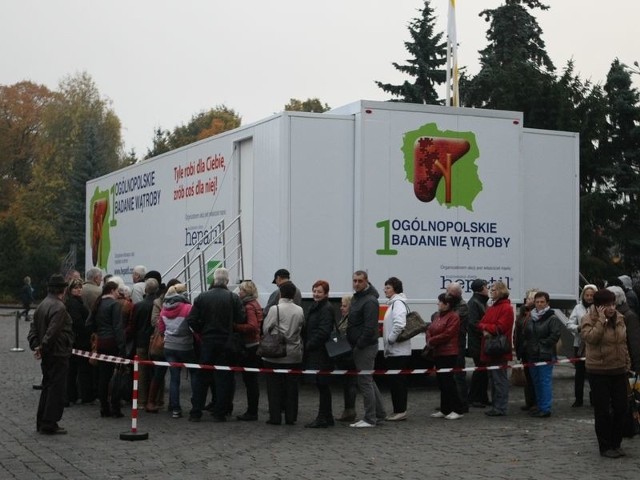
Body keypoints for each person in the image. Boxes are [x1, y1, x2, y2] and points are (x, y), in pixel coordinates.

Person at [581, 289, 633, 458]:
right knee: (602, 410)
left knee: (621, 408)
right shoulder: (588, 319)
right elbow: (591, 339)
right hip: (599, 371)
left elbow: (623, 342)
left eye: (613, 304)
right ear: (599, 306)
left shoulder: (620, 318)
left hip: (619, 370)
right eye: (607, 305)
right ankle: (605, 446)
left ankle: (616, 443)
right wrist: (601, 321)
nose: (611, 308)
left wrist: (627, 363)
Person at [187, 267, 243, 422]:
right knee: (224, 378)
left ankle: (196, 411)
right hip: (226, 342)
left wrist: (202, 332)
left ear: (214, 280)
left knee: (202, 377)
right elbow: (241, 318)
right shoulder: (233, 298)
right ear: (227, 281)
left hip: (208, 342)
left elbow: (191, 319)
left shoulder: (202, 297)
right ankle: (220, 412)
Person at [27, 274, 74, 434]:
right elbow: (52, 331)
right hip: (58, 352)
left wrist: (36, 346)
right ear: (63, 289)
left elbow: (33, 329)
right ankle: (49, 423)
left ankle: (42, 420)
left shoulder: (43, 304)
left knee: (47, 386)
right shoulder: (59, 307)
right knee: (56, 389)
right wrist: (42, 347)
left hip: (49, 353)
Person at [261, 281, 304, 425]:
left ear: (280, 293)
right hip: (294, 354)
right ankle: (291, 417)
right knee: (292, 388)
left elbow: (266, 329)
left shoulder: (275, 309)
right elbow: (301, 327)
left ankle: (275, 417)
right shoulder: (299, 310)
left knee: (274, 387)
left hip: (276, 354)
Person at [347, 270, 386, 428]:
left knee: (365, 382)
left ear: (366, 281)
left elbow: (370, 328)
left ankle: (370, 418)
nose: (356, 283)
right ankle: (380, 413)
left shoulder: (369, 301)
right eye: (354, 281)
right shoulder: (358, 298)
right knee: (368, 380)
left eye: (360, 281)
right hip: (361, 345)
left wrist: (359, 345)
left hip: (366, 346)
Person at [87, 281, 126, 418]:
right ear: (111, 290)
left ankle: (104, 407)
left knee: (103, 376)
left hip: (101, 343)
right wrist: (122, 347)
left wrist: (97, 333)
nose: (118, 293)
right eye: (117, 291)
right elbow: (118, 327)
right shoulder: (114, 304)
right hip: (112, 343)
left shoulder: (98, 303)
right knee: (116, 376)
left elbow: (89, 323)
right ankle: (115, 407)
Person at [156, 284, 195, 419]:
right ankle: (195, 406)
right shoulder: (188, 308)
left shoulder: (163, 309)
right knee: (194, 375)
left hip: (169, 347)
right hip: (186, 346)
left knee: (174, 378)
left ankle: (175, 409)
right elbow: (193, 327)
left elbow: (161, 329)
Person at [523, 291, 563, 418]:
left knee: (544, 381)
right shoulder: (531, 317)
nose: (539, 304)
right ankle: (539, 406)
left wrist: (541, 344)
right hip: (532, 354)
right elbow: (527, 334)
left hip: (545, 354)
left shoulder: (552, 318)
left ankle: (545, 408)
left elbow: (555, 336)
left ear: (547, 303)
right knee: (536, 381)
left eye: (542, 302)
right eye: (537, 302)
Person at [478, 281, 514, 417]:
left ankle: (501, 407)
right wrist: (485, 327)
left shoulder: (506, 308)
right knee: (493, 380)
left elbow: (500, 328)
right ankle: (496, 406)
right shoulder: (492, 307)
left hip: (498, 349)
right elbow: (481, 323)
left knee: (500, 380)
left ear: (500, 291)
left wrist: (486, 328)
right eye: (490, 289)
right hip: (490, 348)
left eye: (493, 289)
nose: (491, 291)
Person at [304, 280, 336, 428]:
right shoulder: (316, 307)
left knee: (323, 385)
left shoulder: (326, 309)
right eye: (314, 291)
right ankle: (327, 416)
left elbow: (323, 331)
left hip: (322, 353)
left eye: (319, 292)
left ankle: (323, 417)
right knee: (321, 385)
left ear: (326, 294)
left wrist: (309, 345)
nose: (316, 294)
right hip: (317, 352)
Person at [428, 293, 465, 420]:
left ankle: (458, 409)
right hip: (438, 352)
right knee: (441, 382)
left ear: (447, 304)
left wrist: (432, 340)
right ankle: (445, 409)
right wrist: (430, 339)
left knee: (448, 382)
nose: (438, 303)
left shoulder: (454, 317)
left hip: (449, 353)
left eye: (440, 302)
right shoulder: (438, 316)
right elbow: (430, 329)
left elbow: (448, 334)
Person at [382, 276, 411, 421]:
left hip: (398, 350)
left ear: (395, 289)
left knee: (398, 382)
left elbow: (399, 324)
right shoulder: (393, 303)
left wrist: (390, 339)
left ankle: (400, 410)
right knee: (395, 382)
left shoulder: (397, 303)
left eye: (388, 287)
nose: (385, 290)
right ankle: (397, 409)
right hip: (395, 350)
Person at [234, 280, 263, 421]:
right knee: (252, 381)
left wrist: (236, 327)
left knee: (250, 381)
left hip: (250, 345)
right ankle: (252, 410)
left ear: (247, 292)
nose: (239, 292)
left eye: (241, 290)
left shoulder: (249, 306)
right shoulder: (255, 304)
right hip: (255, 343)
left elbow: (252, 326)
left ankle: (252, 411)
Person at [565, 284, 597, 407]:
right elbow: (569, 324)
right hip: (580, 345)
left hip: (594, 344)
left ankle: (594, 398)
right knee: (579, 373)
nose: (589, 297)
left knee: (594, 373)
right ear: (583, 295)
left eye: (591, 295)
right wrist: (578, 328)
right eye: (587, 295)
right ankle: (578, 399)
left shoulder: (599, 308)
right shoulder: (578, 308)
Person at [131, 278, 160, 410]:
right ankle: (158, 400)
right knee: (158, 372)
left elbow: (134, 325)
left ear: (145, 290)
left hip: (141, 342)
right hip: (156, 342)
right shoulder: (160, 305)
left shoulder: (138, 306)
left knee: (141, 373)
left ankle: (142, 401)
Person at [65, 278, 93, 405]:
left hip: (78, 340)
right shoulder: (73, 303)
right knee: (78, 369)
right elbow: (77, 322)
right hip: (79, 341)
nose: (79, 289)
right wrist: (87, 330)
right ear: (70, 290)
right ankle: (77, 395)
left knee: (75, 369)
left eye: (80, 287)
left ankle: (74, 394)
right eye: (76, 288)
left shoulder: (77, 302)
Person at [466, 278, 490, 408]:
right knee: (480, 370)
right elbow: (473, 323)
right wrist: (485, 330)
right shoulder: (474, 303)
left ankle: (482, 397)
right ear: (481, 289)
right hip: (477, 343)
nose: (488, 289)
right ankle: (474, 398)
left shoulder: (480, 302)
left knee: (483, 371)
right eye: (486, 287)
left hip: (481, 342)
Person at [514, 288, 538, 412]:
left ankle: (536, 402)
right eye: (528, 298)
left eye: (532, 298)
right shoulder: (523, 313)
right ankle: (529, 401)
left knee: (535, 378)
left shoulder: (535, 315)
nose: (529, 300)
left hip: (532, 350)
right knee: (528, 378)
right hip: (524, 350)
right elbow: (517, 332)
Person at [446, 282, 469, 413]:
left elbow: (450, 320)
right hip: (450, 344)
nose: (446, 295)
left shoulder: (462, 307)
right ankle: (450, 402)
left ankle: (462, 404)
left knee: (459, 375)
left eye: (448, 292)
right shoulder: (453, 305)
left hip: (458, 344)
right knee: (449, 375)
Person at [335, 294, 358, 422]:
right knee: (348, 383)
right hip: (345, 354)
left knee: (351, 383)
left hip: (349, 354)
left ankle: (350, 410)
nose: (341, 308)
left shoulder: (350, 320)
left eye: (344, 306)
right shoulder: (345, 318)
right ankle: (348, 409)